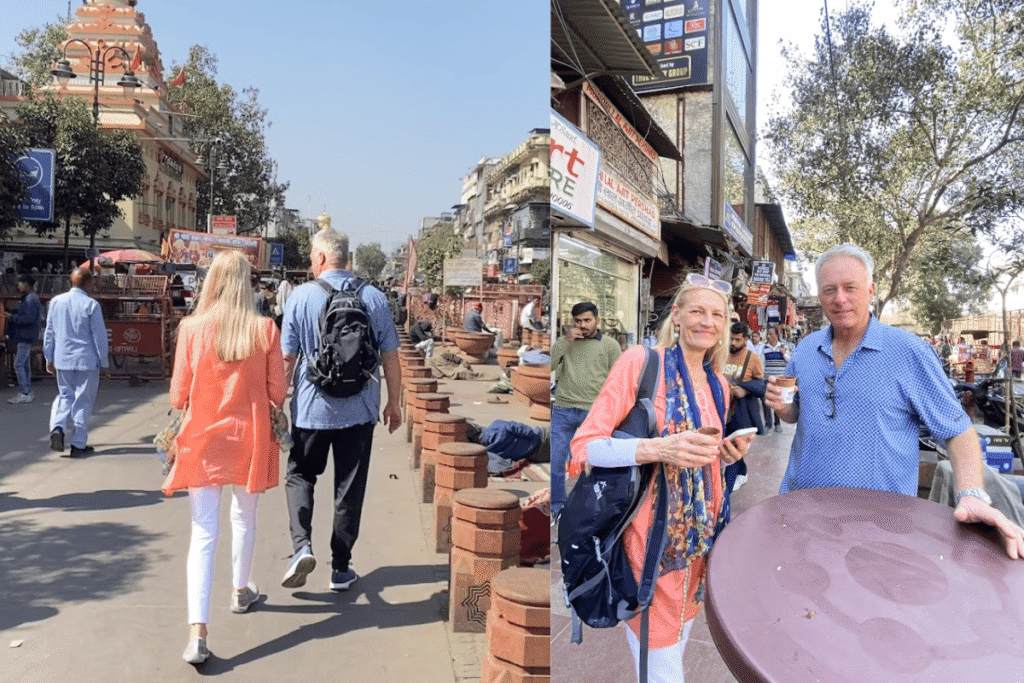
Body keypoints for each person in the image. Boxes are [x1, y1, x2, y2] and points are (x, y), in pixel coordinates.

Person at [764, 243, 1024, 559]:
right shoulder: (805, 350)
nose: (840, 299)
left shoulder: (908, 352)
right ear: (819, 295)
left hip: (878, 527)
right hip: (802, 510)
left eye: (851, 288)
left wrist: (972, 493)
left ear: (871, 290)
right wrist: (782, 407)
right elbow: (797, 414)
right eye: (829, 289)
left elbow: (957, 430)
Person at [569, 273, 755, 681]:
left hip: (697, 547)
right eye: (698, 311)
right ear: (677, 315)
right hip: (647, 547)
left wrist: (723, 457)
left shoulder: (718, 385)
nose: (707, 322)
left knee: (673, 649)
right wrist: (658, 448)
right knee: (662, 664)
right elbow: (584, 447)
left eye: (717, 315)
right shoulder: (641, 362)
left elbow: (699, 464)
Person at [161, 250, 288, 665]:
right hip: (249, 435)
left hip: (202, 437)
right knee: (244, 518)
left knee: (203, 533)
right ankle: (240, 590)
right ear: (248, 284)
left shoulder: (192, 328)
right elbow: (277, 393)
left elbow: (178, 394)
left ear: (211, 281)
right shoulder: (265, 329)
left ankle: (197, 633)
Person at [280, 228, 402, 592]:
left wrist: (276, 403)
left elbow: (288, 357)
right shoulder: (374, 298)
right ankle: (341, 567)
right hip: (360, 410)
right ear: (346, 258)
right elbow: (390, 356)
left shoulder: (300, 297)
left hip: (310, 411)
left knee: (301, 476)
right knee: (349, 487)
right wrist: (393, 403)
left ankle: (301, 546)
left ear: (320, 258)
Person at [548, 301, 621, 516]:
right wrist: (563, 342)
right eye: (578, 321)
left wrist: (611, 410)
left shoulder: (610, 345)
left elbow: (616, 379)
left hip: (594, 411)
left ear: (597, 321)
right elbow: (549, 366)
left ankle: (592, 507)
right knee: (556, 459)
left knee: (596, 462)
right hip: (563, 408)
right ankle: (557, 506)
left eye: (587, 320)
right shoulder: (565, 342)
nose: (582, 325)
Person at [43, 268, 108, 456]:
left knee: (65, 396)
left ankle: (58, 427)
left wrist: (49, 357)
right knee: (83, 401)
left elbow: (50, 332)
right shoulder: (91, 305)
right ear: (89, 283)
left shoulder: (56, 302)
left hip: (63, 359)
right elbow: (99, 336)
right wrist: (104, 362)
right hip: (86, 361)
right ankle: (78, 444)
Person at [723, 321, 765, 493]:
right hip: (722, 409)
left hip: (741, 412)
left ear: (746, 339)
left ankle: (729, 485)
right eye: (731, 339)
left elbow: (760, 385)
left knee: (734, 445)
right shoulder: (722, 354)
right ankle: (743, 471)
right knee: (727, 445)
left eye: (738, 340)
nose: (733, 343)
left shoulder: (753, 359)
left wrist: (745, 390)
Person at [6, 275, 42, 404]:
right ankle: (27, 391)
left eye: (20, 284)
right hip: (26, 335)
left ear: (26, 284)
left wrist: (12, 317)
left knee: (19, 364)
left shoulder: (30, 299)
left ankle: (24, 392)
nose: (18, 286)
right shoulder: (30, 298)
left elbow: (28, 319)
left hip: (25, 335)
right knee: (25, 365)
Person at [758, 326, 789, 433]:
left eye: (771, 334)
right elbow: (762, 363)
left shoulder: (783, 346)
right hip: (768, 379)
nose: (768, 336)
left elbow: (789, 361)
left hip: (780, 379)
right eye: (768, 334)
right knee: (765, 401)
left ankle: (777, 423)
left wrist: (783, 353)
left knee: (777, 401)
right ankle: (768, 424)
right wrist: (761, 377)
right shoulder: (764, 348)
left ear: (777, 335)